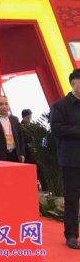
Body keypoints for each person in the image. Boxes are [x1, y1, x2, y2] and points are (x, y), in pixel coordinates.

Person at [49, 69, 80, 249]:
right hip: (71, 159)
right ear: (73, 83)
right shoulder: (60, 105)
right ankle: (71, 235)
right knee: (72, 199)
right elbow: (57, 129)